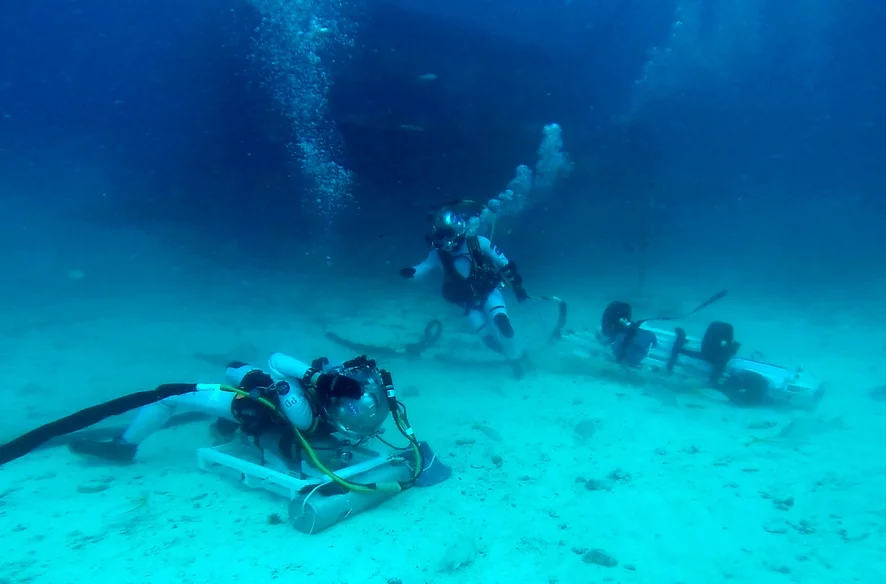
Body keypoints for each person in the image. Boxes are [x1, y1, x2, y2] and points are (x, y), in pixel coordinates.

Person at [69, 353, 386, 469]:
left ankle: (124, 448)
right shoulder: (340, 415)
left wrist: (316, 378)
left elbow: (278, 361)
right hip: (271, 392)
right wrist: (323, 377)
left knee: (168, 398)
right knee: (234, 367)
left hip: (248, 406)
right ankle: (224, 422)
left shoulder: (305, 415)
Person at [399, 208, 530, 376]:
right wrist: (412, 272)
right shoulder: (438, 255)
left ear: (458, 230)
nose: (445, 242)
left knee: (502, 323)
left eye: (447, 235)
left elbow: (504, 263)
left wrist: (517, 287)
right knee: (488, 339)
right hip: (467, 302)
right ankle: (510, 356)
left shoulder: (479, 242)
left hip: (490, 292)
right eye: (440, 238)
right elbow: (422, 267)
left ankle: (516, 356)